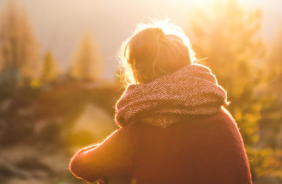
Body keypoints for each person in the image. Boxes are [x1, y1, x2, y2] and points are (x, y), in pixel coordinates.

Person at [69, 21, 252, 184]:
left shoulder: (140, 133)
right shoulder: (221, 117)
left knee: (114, 176)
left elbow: (81, 165)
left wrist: (107, 150)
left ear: (137, 71)